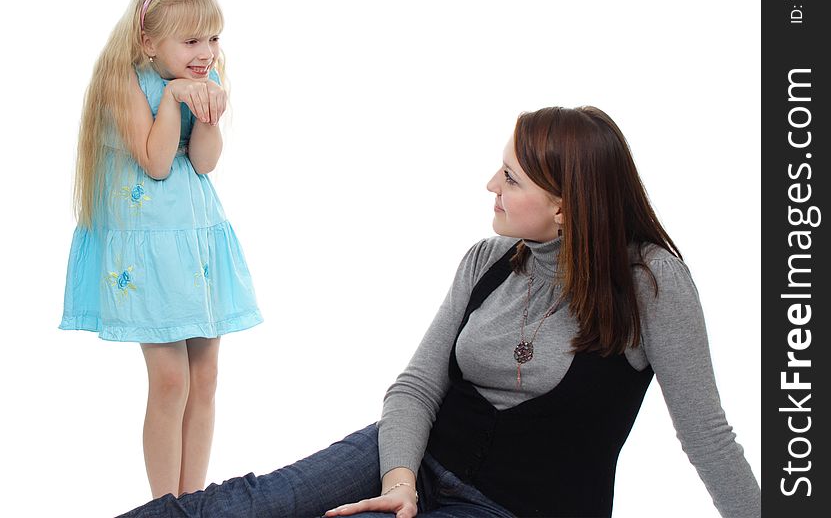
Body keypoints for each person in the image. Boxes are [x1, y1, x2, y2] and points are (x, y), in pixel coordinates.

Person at [119, 106, 760, 517]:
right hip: (413, 457)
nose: (490, 186)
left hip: (512, 508)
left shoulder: (650, 283)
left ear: (565, 205)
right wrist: (400, 483)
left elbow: (708, 439)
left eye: (510, 178)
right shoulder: (488, 259)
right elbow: (416, 386)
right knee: (235, 508)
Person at [61, 0, 262, 499]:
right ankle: (165, 505)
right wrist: (173, 100)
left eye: (213, 38)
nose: (207, 51)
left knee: (206, 376)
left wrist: (209, 113)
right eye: (191, 40)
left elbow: (203, 161)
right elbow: (154, 161)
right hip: (149, 247)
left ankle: (193, 498)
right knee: (171, 380)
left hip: (194, 240)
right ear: (148, 42)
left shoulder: (203, 80)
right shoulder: (122, 81)